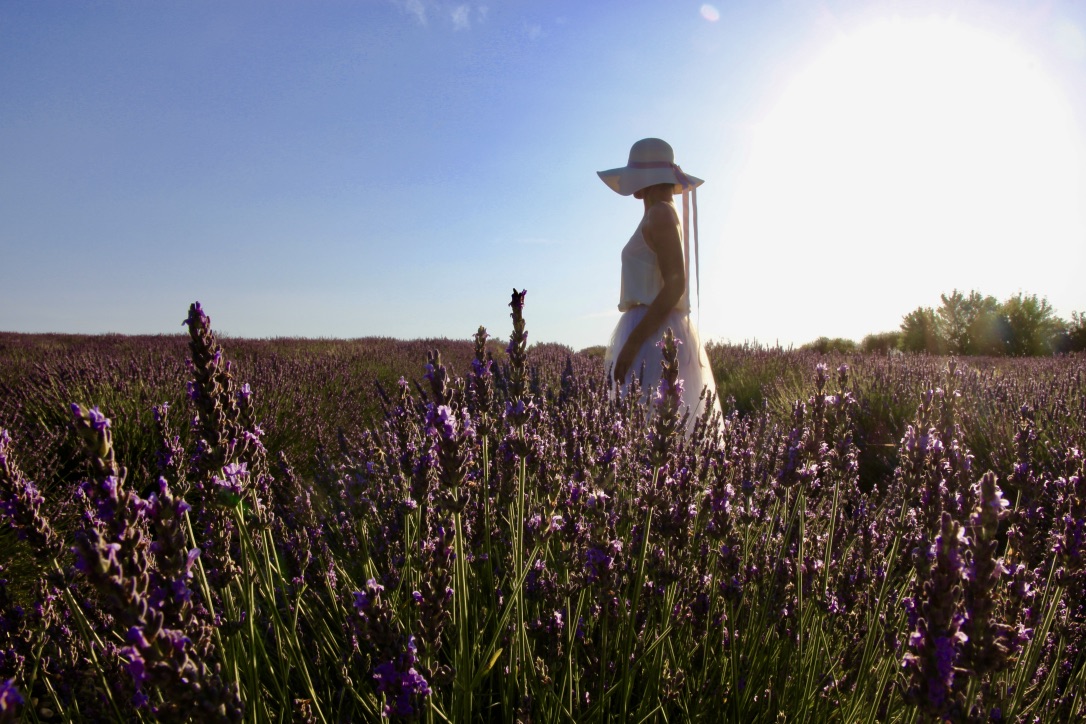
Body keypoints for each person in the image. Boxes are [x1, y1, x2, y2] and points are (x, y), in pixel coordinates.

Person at [597, 137, 722, 430]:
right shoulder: (659, 213)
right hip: (654, 328)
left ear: (644, 179)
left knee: (651, 423)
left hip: (653, 333)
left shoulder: (662, 214)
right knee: (647, 424)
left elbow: (675, 285)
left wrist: (633, 343)